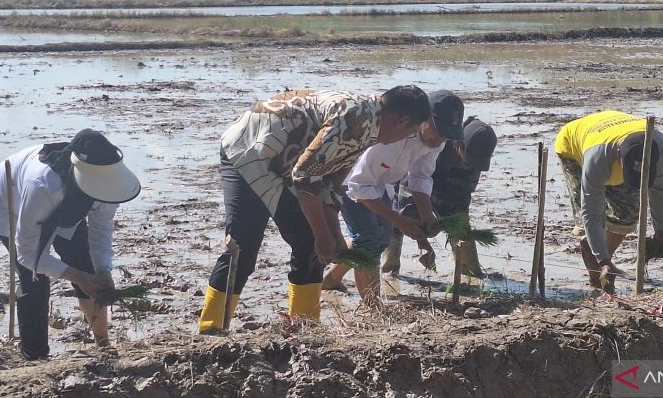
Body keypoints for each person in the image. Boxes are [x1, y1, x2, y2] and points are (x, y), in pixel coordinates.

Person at [198, 86, 431, 332]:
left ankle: (305, 328)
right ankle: (212, 328)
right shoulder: (354, 118)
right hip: (249, 152)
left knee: (310, 244)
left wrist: (334, 234)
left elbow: (330, 181)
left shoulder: (372, 126)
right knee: (243, 246)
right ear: (401, 121)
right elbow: (305, 178)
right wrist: (323, 236)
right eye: (411, 132)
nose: (407, 138)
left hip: (287, 161)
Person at [0, 129, 141, 360]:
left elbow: (101, 229)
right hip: (13, 203)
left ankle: (104, 345)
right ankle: (35, 356)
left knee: (87, 266)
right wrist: (77, 278)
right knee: (34, 280)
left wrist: (103, 270)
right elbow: (28, 255)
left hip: (68, 206)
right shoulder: (42, 185)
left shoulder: (109, 183)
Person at [322, 91, 465, 304]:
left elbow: (420, 175)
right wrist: (399, 220)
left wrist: (427, 216)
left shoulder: (435, 141)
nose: (440, 139)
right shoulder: (392, 138)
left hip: (383, 182)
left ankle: (331, 280)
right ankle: (372, 306)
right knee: (368, 237)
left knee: (382, 237)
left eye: (447, 134)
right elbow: (359, 185)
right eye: (438, 131)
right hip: (349, 180)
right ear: (425, 119)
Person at [554, 110, 663, 293]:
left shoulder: (659, 145)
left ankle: (604, 261)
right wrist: (603, 261)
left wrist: (661, 231)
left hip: (617, 135)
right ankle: (597, 280)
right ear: (619, 158)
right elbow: (591, 214)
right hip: (574, 149)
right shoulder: (597, 159)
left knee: (627, 216)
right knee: (589, 227)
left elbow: (660, 189)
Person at [382, 116, 498, 278]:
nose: (472, 166)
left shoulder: (474, 162)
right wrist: (422, 241)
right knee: (395, 222)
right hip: (409, 182)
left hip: (443, 187)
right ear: (459, 145)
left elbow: (461, 201)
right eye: (470, 160)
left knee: (461, 227)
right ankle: (390, 272)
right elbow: (408, 195)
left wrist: (453, 224)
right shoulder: (436, 143)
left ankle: (470, 274)